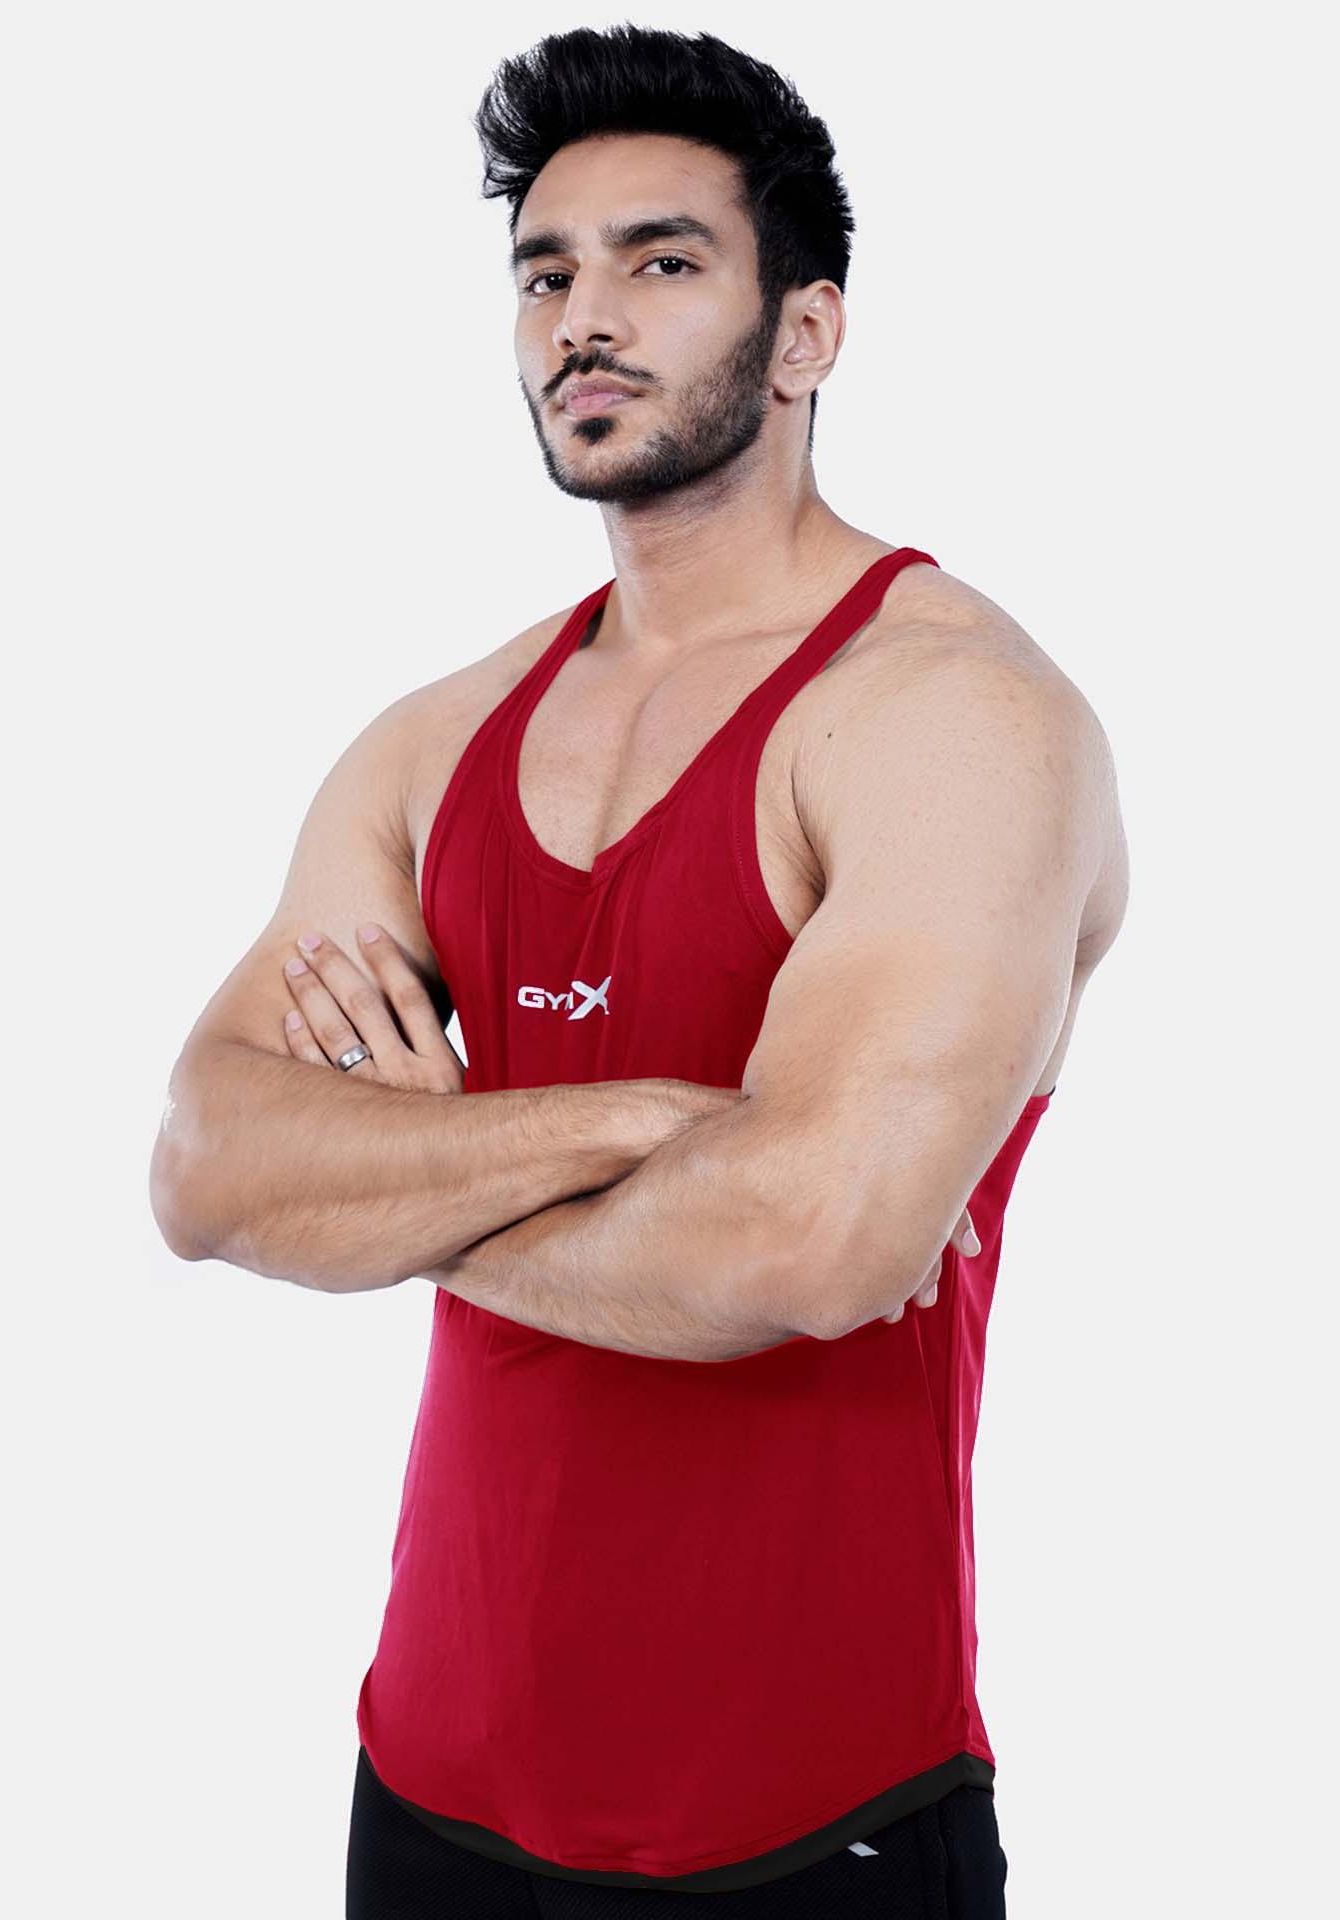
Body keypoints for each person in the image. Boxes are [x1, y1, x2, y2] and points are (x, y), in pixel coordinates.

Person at [150, 24, 1128, 1917]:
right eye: (546, 274)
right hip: (426, 1784)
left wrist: (396, 1191)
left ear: (809, 332)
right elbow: (205, 1171)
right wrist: (649, 1126)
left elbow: (813, 1246)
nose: (583, 319)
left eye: (662, 262)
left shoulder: (952, 720)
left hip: (812, 1813)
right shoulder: (437, 736)